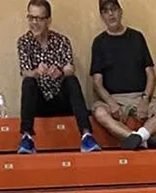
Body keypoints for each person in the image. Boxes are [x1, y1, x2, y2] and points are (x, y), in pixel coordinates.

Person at [16, 0, 99, 155]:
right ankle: (27, 137)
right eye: (31, 18)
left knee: (71, 80)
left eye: (39, 18)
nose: (34, 23)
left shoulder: (61, 41)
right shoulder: (23, 42)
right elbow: (24, 71)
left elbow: (70, 68)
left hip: (60, 100)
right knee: (28, 82)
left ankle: (86, 136)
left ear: (48, 20)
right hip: (39, 102)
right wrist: (36, 71)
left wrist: (60, 71)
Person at [89, 0, 156, 151]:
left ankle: (137, 138)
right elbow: (97, 83)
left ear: (121, 11)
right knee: (99, 112)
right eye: (106, 11)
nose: (111, 14)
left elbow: (151, 75)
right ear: (102, 16)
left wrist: (145, 100)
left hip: (140, 96)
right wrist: (110, 102)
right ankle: (142, 138)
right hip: (113, 99)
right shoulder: (99, 42)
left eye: (114, 9)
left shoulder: (137, 37)